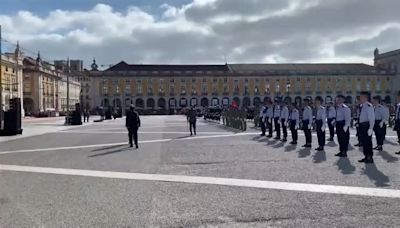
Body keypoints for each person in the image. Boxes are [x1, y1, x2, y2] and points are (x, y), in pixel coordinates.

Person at [358, 91, 375, 163]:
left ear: (365, 97)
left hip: (366, 126)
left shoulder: (369, 106)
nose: (360, 98)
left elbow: (372, 118)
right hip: (362, 126)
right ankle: (366, 156)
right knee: (364, 142)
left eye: (361, 97)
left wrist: (371, 128)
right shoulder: (362, 106)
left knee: (368, 142)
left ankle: (369, 157)